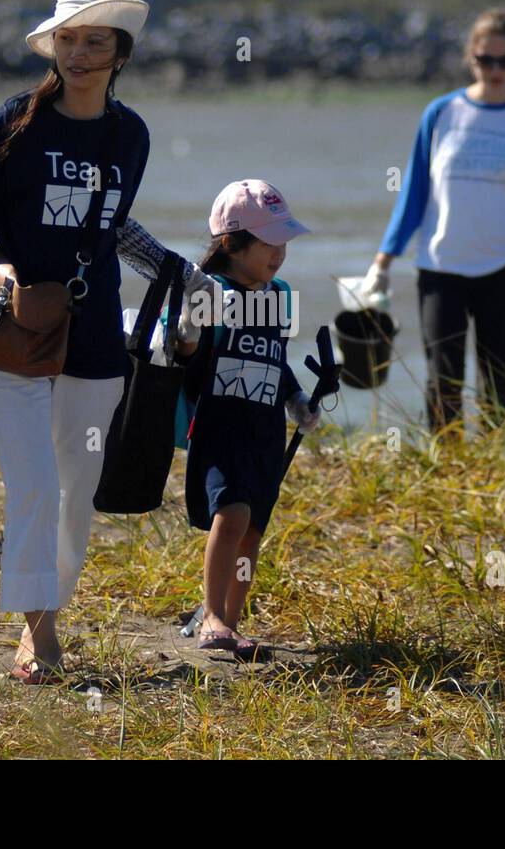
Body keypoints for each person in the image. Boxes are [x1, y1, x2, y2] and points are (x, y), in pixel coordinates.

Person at [0, 0, 213, 683]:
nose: (81, 52)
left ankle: (48, 609)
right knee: (32, 483)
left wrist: (177, 269)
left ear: (120, 53)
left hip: (96, 340)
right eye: (69, 39)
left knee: (75, 494)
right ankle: (41, 633)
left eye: (97, 40)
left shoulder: (132, 134)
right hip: (14, 335)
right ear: (52, 47)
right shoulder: (17, 123)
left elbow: (109, 224)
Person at [362, 9, 505, 431]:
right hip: (441, 267)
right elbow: (415, 193)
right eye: (486, 60)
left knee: (497, 380)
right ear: (470, 57)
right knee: (442, 378)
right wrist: (383, 262)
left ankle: (497, 477)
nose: (496, 70)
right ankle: (446, 470)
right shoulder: (441, 114)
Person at [174, 180, 320, 655]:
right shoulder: (208, 290)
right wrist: (188, 334)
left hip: (264, 431)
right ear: (232, 243)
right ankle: (211, 615)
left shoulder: (278, 295)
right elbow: (186, 361)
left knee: (253, 527)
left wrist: (297, 398)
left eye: (283, 241)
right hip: (218, 424)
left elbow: (275, 360)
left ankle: (230, 623)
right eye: (267, 242)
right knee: (231, 514)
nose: (279, 253)